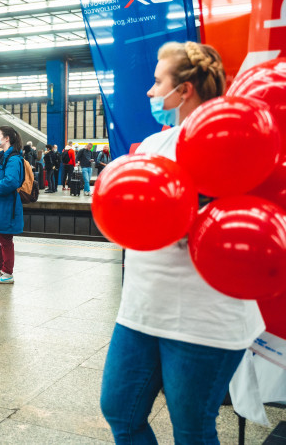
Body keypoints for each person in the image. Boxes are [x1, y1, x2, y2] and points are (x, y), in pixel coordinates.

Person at [99, 41, 264, 444]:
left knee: (191, 428)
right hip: (141, 310)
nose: (151, 92)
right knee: (120, 411)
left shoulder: (238, 145)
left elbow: (250, 227)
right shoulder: (154, 146)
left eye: (158, 81)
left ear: (185, 89)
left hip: (205, 319)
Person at [0, 126, 24, 284]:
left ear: (7, 138)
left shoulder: (14, 159)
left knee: (4, 238)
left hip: (6, 205)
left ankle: (7, 273)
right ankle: (1, 268)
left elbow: (10, 182)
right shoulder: (2, 157)